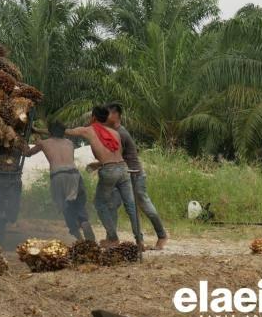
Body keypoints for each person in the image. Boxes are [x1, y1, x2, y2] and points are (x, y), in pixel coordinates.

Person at [65, 106, 139, 244]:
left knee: (100, 204)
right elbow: (117, 154)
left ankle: (112, 237)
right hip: (123, 169)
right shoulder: (115, 133)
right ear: (105, 118)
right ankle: (139, 240)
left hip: (109, 171)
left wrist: (40, 130)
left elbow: (65, 131)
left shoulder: (88, 130)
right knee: (130, 205)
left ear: (93, 117)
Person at [104, 103, 167, 250]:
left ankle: (162, 235)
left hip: (134, 174)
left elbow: (115, 157)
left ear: (115, 115)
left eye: (106, 114)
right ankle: (112, 239)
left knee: (144, 205)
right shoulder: (112, 132)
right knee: (112, 204)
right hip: (121, 175)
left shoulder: (121, 133)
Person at [24, 121, 95, 241]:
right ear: (63, 131)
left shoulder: (44, 143)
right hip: (74, 174)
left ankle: (78, 236)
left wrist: (24, 144)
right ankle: (83, 221)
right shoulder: (70, 143)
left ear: (50, 132)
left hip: (58, 176)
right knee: (78, 202)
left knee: (66, 207)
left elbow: (27, 154)